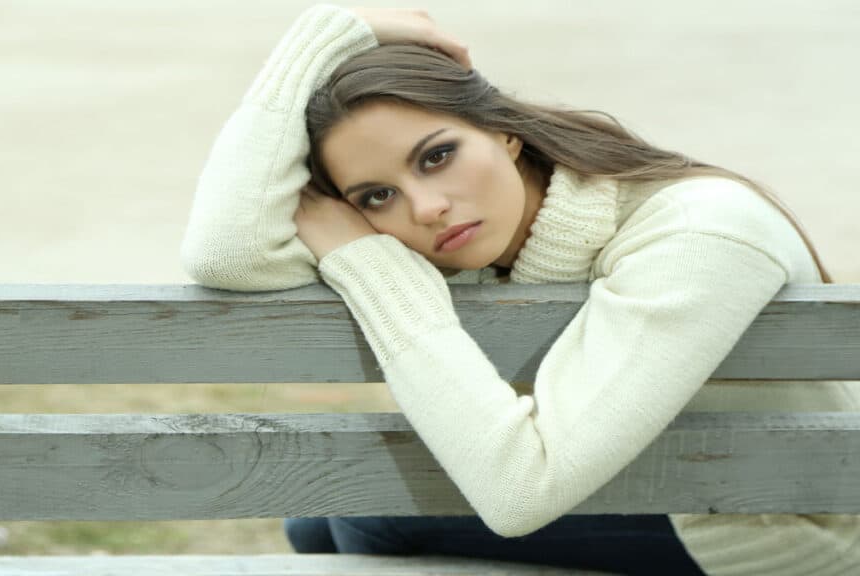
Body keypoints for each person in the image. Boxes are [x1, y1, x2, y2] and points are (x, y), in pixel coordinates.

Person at [181, 5, 859, 575]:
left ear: (504, 132)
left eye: (437, 155)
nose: (425, 208)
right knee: (322, 518)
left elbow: (517, 492)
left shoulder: (699, 231)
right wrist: (325, 32)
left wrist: (370, 264)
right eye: (377, 195)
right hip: (659, 482)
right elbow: (227, 253)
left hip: (785, 524)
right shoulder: (477, 233)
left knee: (366, 517)